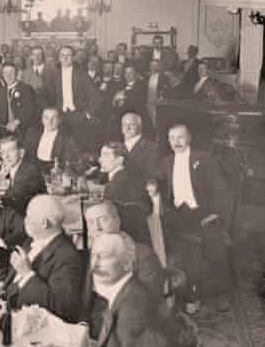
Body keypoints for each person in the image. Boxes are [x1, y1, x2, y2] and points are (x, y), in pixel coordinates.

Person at [152, 124, 232, 312]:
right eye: (172, 138)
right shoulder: (166, 162)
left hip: (204, 213)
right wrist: (152, 184)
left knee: (216, 249)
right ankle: (190, 294)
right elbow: (156, 178)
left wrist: (215, 213)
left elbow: (220, 189)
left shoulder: (203, 159)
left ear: (189, 139)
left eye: (180, 137)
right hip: (180, 215)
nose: (176, 142)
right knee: (179, 250)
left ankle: (222, 292)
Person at [83, 233, 164, 347]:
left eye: (104, 257)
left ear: (127, 264)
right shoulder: (124, 291)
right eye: (94, 255)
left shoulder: (134, 308)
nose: (94, 265)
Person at [8, 195, 83, 322]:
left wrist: (27, 274)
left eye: (28, 215)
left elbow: (62, 306)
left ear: (44, 223)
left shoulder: (67, 256)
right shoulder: (32, 240)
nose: (25, 220)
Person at [86, 201, 165, 306]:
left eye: (103, 220)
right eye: (91, 222)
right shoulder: (89, 256)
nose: (97, 228)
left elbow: (149, 304)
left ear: (117, 221)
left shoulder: (143, 256)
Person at [43, 46, 100, 148]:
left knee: (79, 146)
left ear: (73, 57)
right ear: (59, 58)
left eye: (68, 55)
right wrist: (50, 114)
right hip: (59, 116)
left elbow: (95, 96)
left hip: (78, 115)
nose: (65, 58)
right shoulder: (52, 74)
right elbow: (46, 95)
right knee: (59, 146)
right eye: (62, 55)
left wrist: (87, 114)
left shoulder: (82, 74)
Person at [98, 142, 152, 245]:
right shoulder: (129, 178)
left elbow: (108, 220)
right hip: (139, 237)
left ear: (119, 160)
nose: (100, 159)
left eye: (105, 155)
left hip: (122, 241)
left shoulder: (114, 185)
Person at [0, 136, 47, 216]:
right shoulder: (16, 169)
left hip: (33, 218)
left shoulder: (29, 171)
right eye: (3, 152)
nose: (6, 156)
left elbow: (15, 199)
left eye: (10, 150)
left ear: (21, 152)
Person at [23, 108, 80, 173]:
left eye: (54, 118)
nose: (50, 121)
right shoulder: (32, 133)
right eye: (46, 118)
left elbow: (68, 163)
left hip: (54, 173)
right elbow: (26, 156)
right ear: (42, 120)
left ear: (59, 120)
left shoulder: (66, 138)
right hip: (33, 172)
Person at [0, 63, 37, 138]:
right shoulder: (0, 91)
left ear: (16, 74)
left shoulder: (26, 89)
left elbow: (31, 110)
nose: (8, 75)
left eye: (11, 72)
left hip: (23, 131)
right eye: (5, 73)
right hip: (5, 133)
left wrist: (16, 122)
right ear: (2, 75)